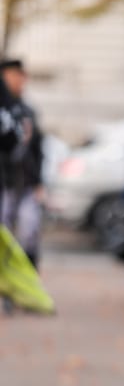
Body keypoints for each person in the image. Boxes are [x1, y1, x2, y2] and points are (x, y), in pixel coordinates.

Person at [0, 58, 44, 270]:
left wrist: (39, 181)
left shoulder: (27, 111)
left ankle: (28, 276)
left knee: (30, 230)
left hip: (25, 180)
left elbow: (37, 148)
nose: (18, 81)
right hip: (6, 181)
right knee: (4, 235)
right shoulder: (5, 110)